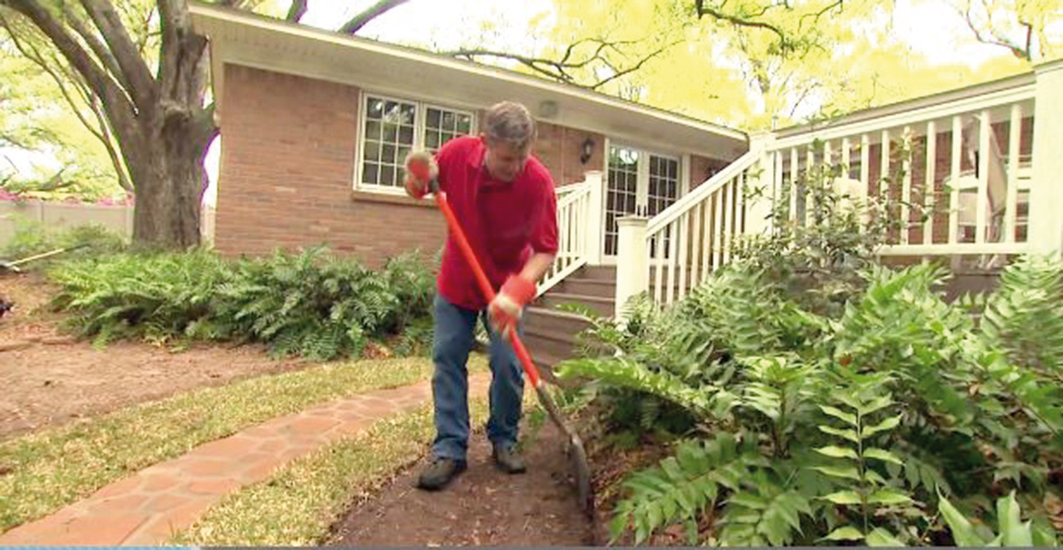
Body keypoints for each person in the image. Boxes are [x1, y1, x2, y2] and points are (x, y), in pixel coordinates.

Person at [402, 101, 558, 491]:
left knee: (508, 366)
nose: (515, 167)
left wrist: (517, 291)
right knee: (448, 359)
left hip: (507, 287)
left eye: (522, 156)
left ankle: (504, 439)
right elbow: (418, 189)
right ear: (485, 141)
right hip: (458, 281)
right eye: (507, 158)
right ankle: (450, 448)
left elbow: (545, 249)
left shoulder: (537, 182)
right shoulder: (456, 155)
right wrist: (416, 176)